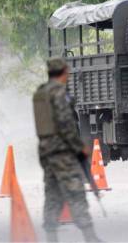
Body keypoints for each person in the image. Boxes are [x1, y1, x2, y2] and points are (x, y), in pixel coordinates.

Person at [33, 58, 101, 242]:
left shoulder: (40, 93)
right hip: (62, 152)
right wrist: (80, 149)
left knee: (52, 194)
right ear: (63, 72)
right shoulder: (60, 93)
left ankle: (51, 238)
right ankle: (90, 237)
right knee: (76, 193)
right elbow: (66, 125)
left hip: (46, 151)